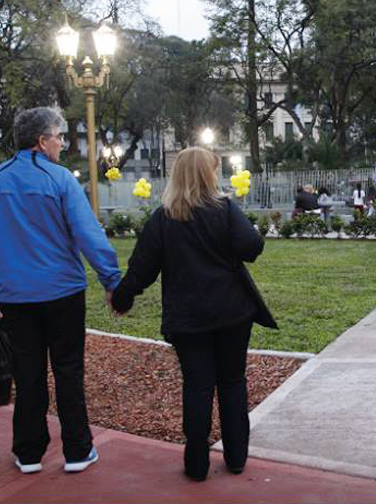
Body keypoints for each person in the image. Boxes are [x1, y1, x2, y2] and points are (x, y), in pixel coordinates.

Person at [0, 107, 121, 475]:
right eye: (58, 137)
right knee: (68, 370)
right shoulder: (60, 179)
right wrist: (112, 281)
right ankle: (78, 449)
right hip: (62, 291)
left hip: (15, 295)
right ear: (42, 141)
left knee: (27, 372)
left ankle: (29, 451)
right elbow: (87, 233)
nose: (61, 144)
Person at [111, 147, 276, 482]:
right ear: (207, 175)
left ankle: (197, 463)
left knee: (197, 386)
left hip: (189, 317)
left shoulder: (163, 218)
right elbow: (252, 247)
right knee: (232, 382)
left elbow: (142, 269)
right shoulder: (225, 210)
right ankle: (236, 457)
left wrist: (121, 298)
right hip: (232, 311)